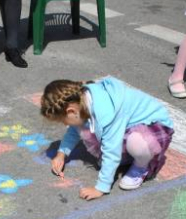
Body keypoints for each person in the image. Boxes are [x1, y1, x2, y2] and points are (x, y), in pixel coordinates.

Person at [41, 77, 174, 200]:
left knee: (136, 144)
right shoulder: (82, 102)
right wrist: (61, 154)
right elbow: (74, 130)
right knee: (87, 129)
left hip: (155, 128)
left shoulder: (106, 113)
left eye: (63, 121)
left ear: (71, 111)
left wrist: (100, 188)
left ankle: (142, 167)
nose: (65, 124)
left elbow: (111, 151)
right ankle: (129, 157)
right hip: (129, 126)